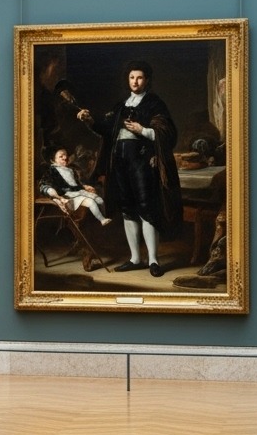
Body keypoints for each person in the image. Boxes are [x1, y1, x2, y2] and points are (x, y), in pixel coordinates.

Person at [76, 60, 182, 277]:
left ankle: (153, 260)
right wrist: (89, 120)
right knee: (128, 209)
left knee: (147, 209)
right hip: (120, 163)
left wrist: (142, 130)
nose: (135, 81)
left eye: (140, 77)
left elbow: (167, 132)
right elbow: (107, 130)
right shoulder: (122, 105)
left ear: (147, 80)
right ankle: (135, 258)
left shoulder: (154, 103)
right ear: (128, 80)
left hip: (142, 162)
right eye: (132, 77)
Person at [39, 147, 112, 226]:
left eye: (66, 155)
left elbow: (76, 184)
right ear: (53, 160)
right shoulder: (51, 171)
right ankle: (102, 219)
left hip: (78, 191)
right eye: (61, 156)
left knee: (100, 200)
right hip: (68, 195)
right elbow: (44, 184)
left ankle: (105, 218)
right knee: (91, 202)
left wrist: (84, 187)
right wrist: (51, 192)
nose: (65, 157)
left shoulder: (71, 170)